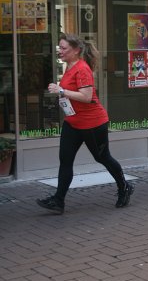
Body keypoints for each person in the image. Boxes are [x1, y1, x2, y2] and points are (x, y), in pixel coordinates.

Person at [36, 34, 134, 214]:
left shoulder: (82, 69)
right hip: (73, 122)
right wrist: (62, 93)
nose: (60, 51)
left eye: (64, 48)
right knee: (65, 160)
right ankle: (58, 200)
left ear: (76, 50)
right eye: (59, 48)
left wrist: (62, 90)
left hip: (92, 123)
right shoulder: (69, 67)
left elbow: (87, 97)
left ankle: (124, 187)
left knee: (102, 158)